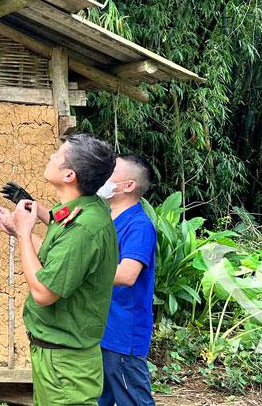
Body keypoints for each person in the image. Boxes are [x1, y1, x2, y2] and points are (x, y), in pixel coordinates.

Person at [0, 134, 119, 406]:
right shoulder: (87, 207)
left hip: (66, 365)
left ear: (69, 175)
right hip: (57, 357)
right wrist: (19, 226)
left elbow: (44, 293)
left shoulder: (83, 228)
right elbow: (58, 249)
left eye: (57, 155)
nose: (50, 157)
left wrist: (23, 233)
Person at [96, 154, 158, 406]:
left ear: (129, 186)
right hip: (102, 331)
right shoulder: (105, 216)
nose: (103, 176)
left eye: (111, 171)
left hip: (123, 336)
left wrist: (80, 271)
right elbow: (64, 230)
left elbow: (127, 275)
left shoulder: (139, 226)